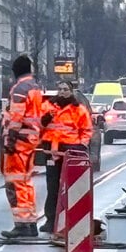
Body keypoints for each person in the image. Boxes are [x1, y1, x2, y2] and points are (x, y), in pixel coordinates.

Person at [39, 80, 92, 234]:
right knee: (52, 186)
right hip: (52, 152)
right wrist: (47, 118)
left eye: (65, 89)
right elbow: (38, 125)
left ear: (71, 91)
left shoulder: (78, 109)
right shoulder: (48, 107)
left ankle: (72, 220)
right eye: (60, 89)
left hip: (72, 151)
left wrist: (81, 146)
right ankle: (51, 220)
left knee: (72, 187)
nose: (62, 92)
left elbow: (86, 129)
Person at [0, 54, 44, 239]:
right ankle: (30, 222)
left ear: (16, 70)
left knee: (14, 183)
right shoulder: (35, 87)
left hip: (19, 141)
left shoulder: (20, 88)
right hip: (30, 140)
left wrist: (9, 140)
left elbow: (17, 116)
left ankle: (21, 224)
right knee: (25, 182)